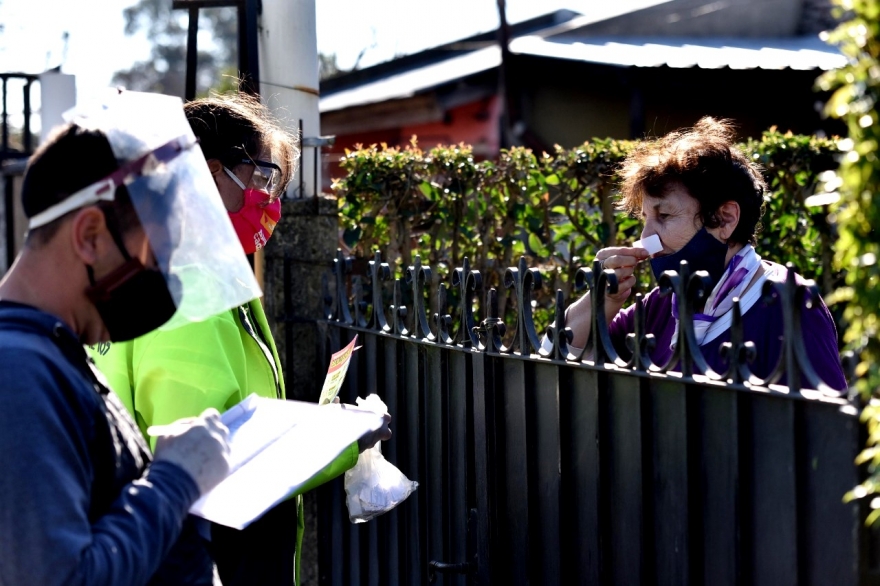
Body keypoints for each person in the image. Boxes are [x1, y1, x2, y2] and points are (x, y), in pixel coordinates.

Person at [92, 92, 391, 586]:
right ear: (208, 175)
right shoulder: (190, 287)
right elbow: (212, 463)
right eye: (262, 177)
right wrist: (345, 437)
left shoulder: (153, 269)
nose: (271, 202)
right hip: (207, 553)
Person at [0, 91, 238, 585]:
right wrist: (174, 479)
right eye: (156, 254)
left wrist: (168, 473)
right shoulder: (18, 372)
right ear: (89, 234)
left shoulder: (53, 353)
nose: (164, 275)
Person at [561, 117, 847, 390]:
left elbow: (825, 431)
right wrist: (603, 300)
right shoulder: (663, 302)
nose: (645, 237)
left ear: (725, 219)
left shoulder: (790, 303)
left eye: (664, 216)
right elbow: (555, 360)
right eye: (644, 218)